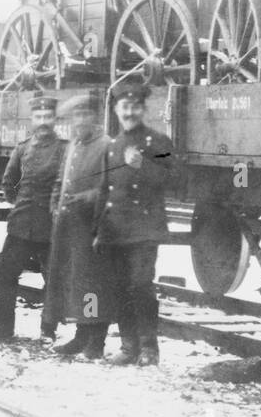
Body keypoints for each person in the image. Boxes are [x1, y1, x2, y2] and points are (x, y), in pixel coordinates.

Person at [93, 80, 176, 366]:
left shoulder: (159, 143)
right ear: (116, 109)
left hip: (144, 230)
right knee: (119, 287)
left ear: (143, 109)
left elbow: (176, 180)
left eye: (134, 107)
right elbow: (105, 191)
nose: (129, 112)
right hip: (115, 229)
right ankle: (129, 347)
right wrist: (97, 230)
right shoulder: (112, 146)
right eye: (124, 107)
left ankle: (149, 348)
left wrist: (145, 165)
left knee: (141, 286)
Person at [0, 95, 66, 342]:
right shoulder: (22, 148)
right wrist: (18, 203)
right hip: (21, 224)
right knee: (7, 274)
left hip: (50, 226)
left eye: (47, 117)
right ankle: (1, 328)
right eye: (38, 117)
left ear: (54, 119)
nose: (43, 122)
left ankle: (48, 330)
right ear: (32, 119)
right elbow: (9, 182)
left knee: (53, 279)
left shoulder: (64, 149)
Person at [45, 93, 114, 360]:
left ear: (95, 117)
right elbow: (61, 178)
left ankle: (96, 341)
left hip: (93, 227)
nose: (81, 120)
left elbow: (111, 189)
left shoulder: (107, 145)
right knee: (77, 282)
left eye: (86, 115)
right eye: (77, 116)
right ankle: (81, 335)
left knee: (93, 285)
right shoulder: (73, 144)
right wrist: (55, 202)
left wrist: (85, 199)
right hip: (69, 225)